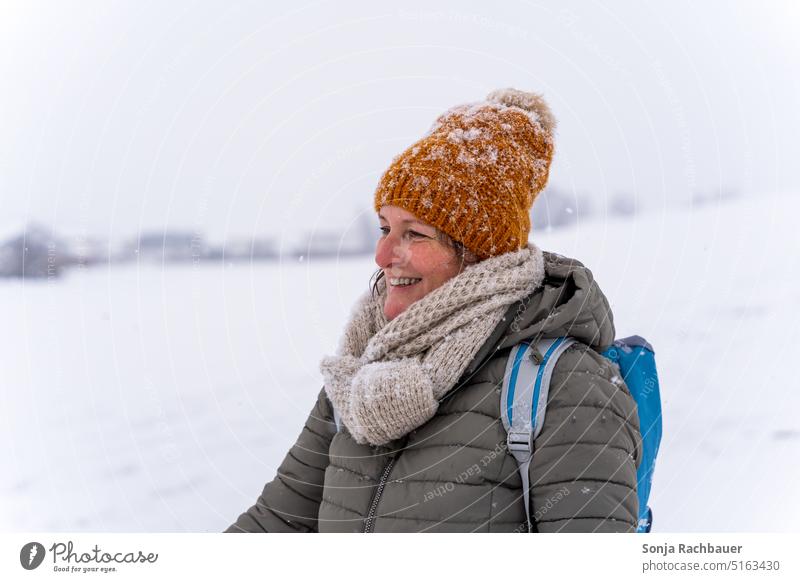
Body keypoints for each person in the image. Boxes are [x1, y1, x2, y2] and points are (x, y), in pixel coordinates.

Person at [224, 88, 642, 533]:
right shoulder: (358, 376)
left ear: (479, 253)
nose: (383, 254)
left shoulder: (562, 384)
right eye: (385, 228)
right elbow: (276, 525)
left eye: (414, 234)